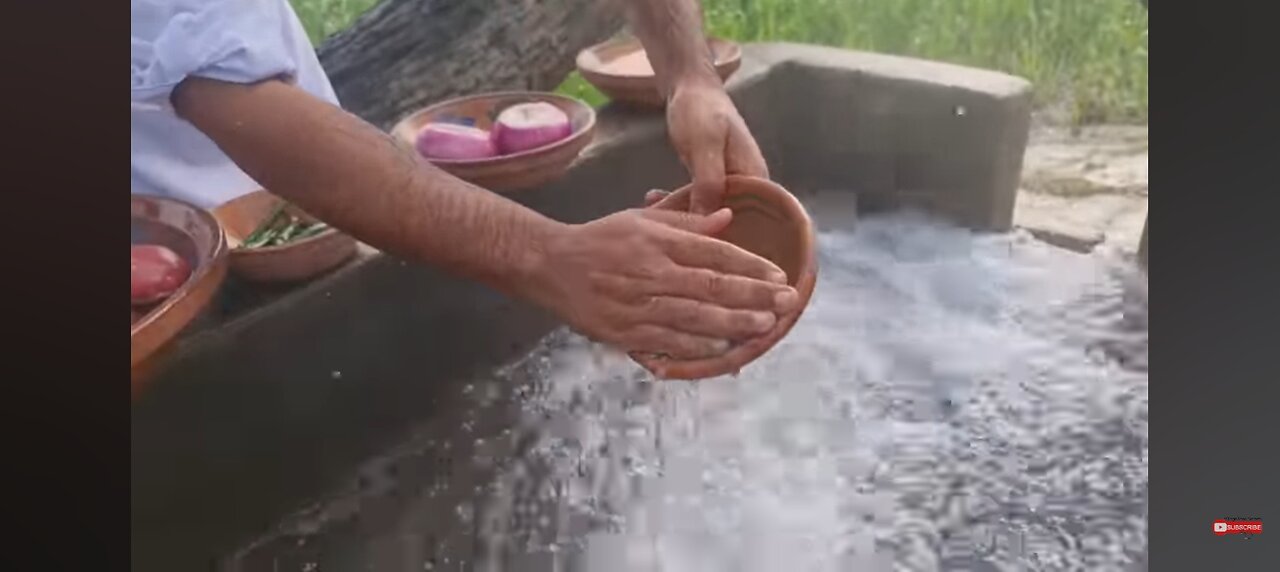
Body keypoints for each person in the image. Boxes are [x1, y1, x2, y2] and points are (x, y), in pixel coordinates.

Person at [131, 0, 797, 376]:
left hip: (296, 200)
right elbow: (233, 99)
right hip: (163, 271)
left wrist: (689, 75)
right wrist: (549, 256)